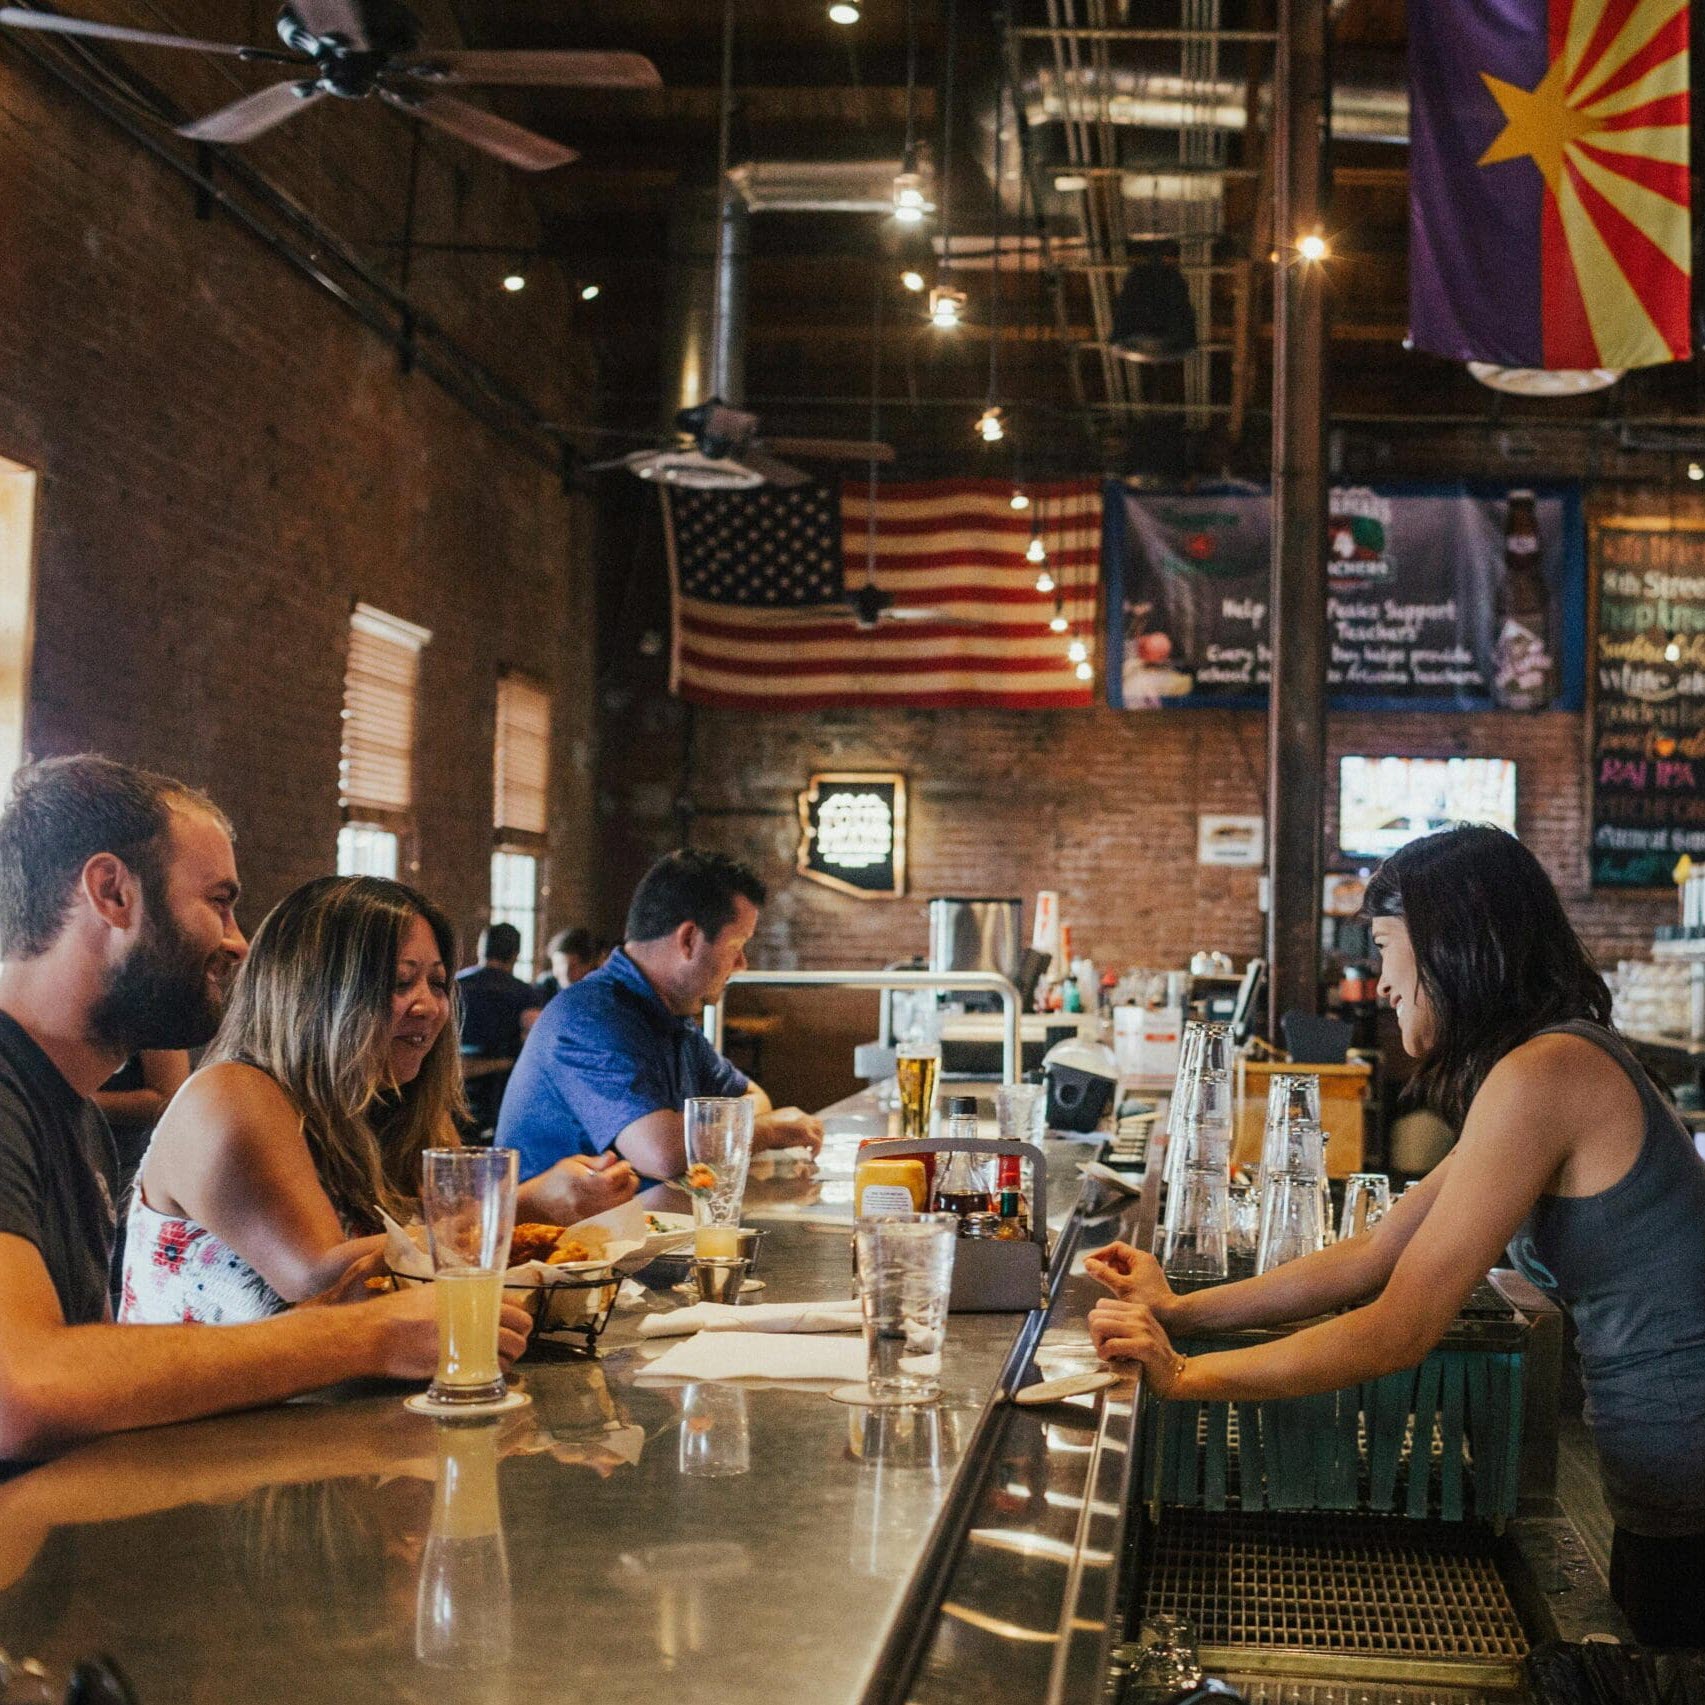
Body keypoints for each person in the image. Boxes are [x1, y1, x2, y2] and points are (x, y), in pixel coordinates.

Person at [1084, 825, 1705, 1646]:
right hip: (1664, 1477)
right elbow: (1374, 1254)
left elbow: (1399, 1327)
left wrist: (1186, 1376)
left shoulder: (1545, 1075)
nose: (1379, 984)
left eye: (1383, 949)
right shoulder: (1543, 1066)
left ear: (1451, 945)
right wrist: (1180, 1311)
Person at [0, 754, 531, 1462]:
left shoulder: (70, 1116)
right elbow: (18, 1392)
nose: (239, 940)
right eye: (219, 900)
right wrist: (364, 1334)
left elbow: (94, 1376)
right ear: (111, 891)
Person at [124, 876, 637, 1324]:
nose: (429, 1006)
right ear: (313, 993)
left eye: (437, 983)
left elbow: (450, 1273)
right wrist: (522, 1204)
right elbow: (328, 1284)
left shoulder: (397, 1102)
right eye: (399, 982)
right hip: (203, 1433)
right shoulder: (231, 1094)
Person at [497, 849, 825, 1184]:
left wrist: (706, 1130)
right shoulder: (589, 1017)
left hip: (633, 1227)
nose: (742, 964)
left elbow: (753, 1099)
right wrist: (767, 1131)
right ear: (689, 940)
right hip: (560, 1234)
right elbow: (662, 1153)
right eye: (736, 946)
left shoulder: (671, 1012)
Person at [456, 922, 542, 1060]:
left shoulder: (455, 984)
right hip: (503, 1075)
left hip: (457, 1068)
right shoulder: (525, 993)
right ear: (515, 954)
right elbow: (536, 1038)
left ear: (481, 949)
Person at [531, 926, 598, 1005]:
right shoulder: (545, 987)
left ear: (588, 965)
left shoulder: (598, 989)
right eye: (558, 965)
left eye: (573, 967)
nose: (565, 975)